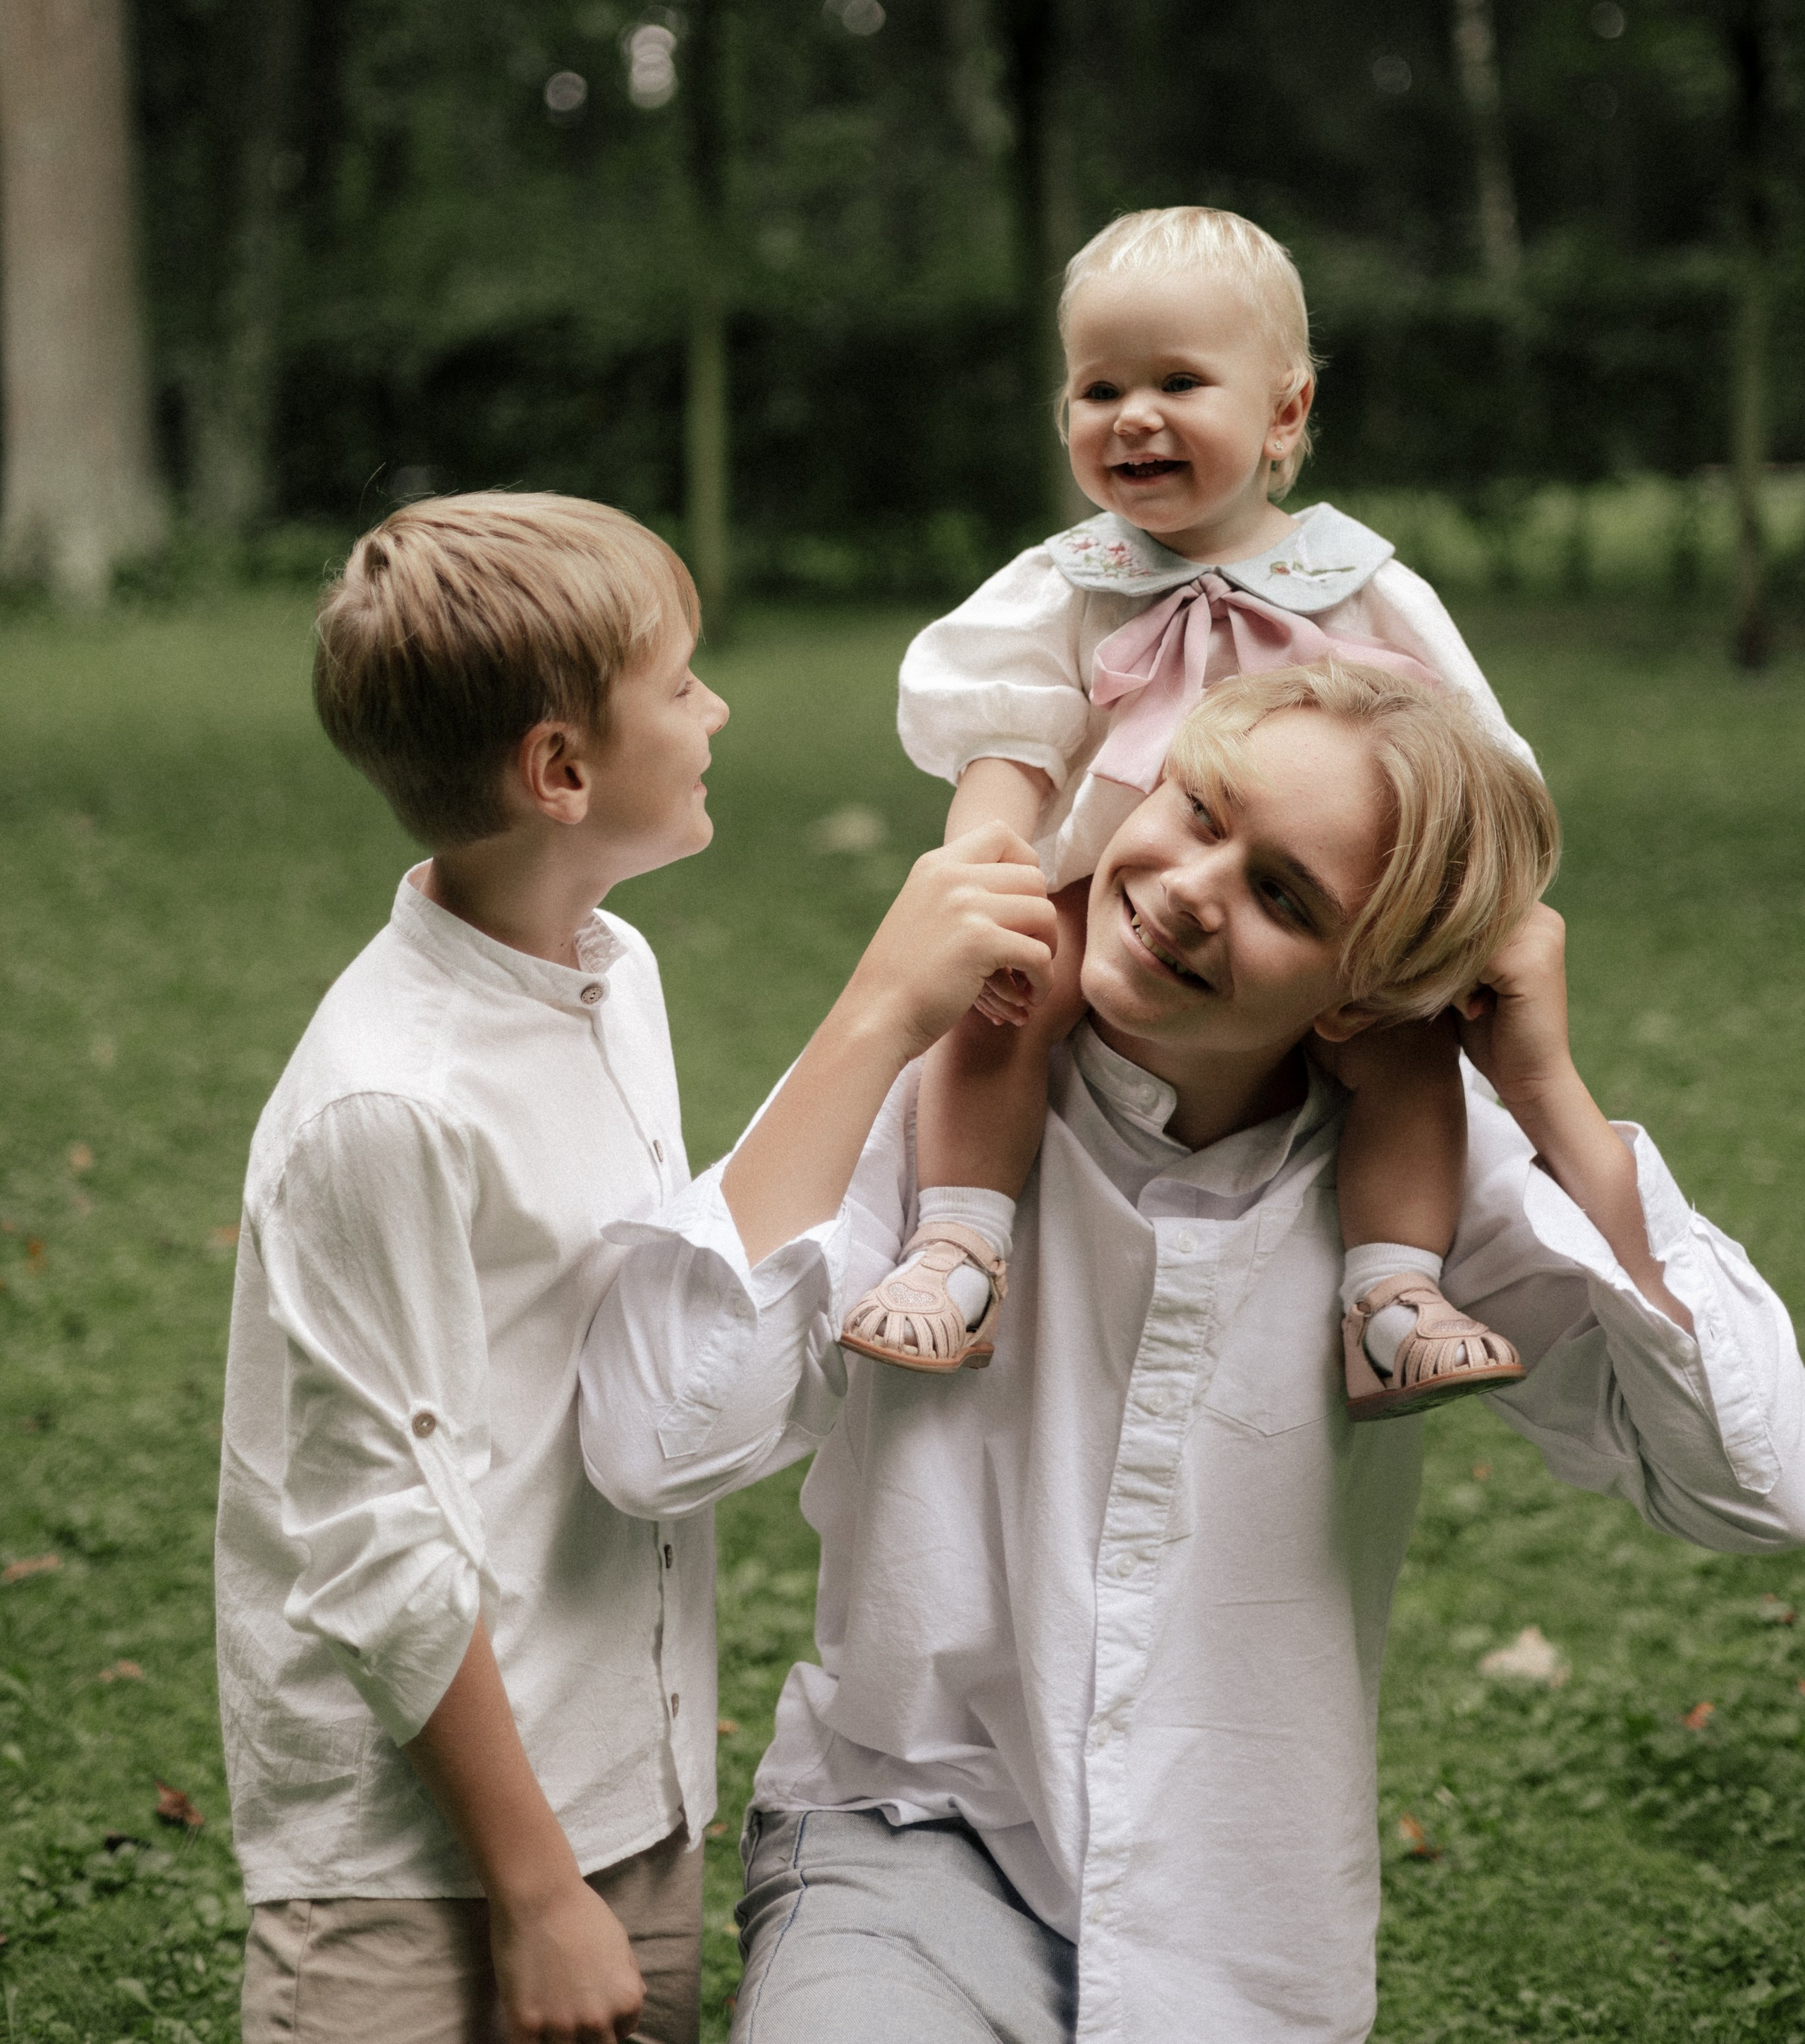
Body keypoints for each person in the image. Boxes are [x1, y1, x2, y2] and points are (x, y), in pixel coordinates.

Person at [579, 663, 1805, 2044]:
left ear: (1357, 995)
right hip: (912, 1835)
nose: (1182, 887)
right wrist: (874, 1012)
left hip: (1239, 1914)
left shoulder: (1422, 1179)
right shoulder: (946, 1096)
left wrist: (1545, 1091)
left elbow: (1750, 1482)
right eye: (1194, 807)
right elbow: (653, 1442)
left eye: (1283, 895)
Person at [216, 489, 1061, 2044]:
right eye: (679, 684)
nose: (718, 704)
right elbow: (374, 1545)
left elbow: (669, 1302)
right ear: (560, 770)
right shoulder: (388, 1103)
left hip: (622, 1793)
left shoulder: (611, 972)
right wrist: (536, 1894)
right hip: (421, 1870)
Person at [843, 204, 1536, 1414]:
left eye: (1177, 381)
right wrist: (983, 888)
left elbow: (1469, 772)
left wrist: (1480, 921)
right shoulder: (1063, 587)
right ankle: (960, 1244)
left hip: (1304, 923)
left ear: (1284, 412)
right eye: (1098, 387)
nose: (1134, 416)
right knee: (999, 1007)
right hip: (1099, 896)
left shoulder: (1363, 591)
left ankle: (1392, 1294)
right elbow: (1006, 743)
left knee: (1407, 1054)